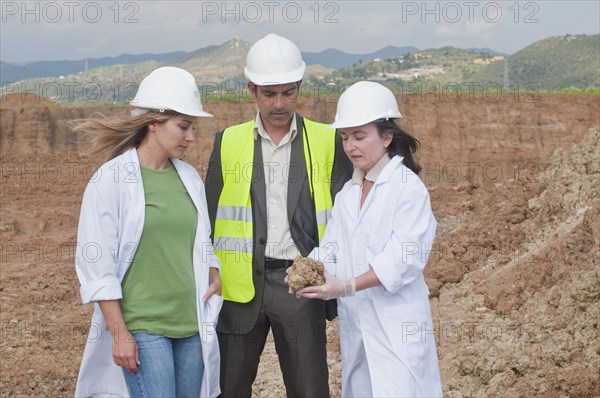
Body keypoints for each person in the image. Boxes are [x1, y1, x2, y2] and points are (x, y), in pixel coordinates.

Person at [205, 33, 352, 397]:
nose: (279, 103)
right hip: (240, 290)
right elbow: (207, 220)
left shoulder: (327, 140)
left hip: (299, 285)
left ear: (299, 86)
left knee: (309, 389)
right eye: (269, 93)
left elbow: (347, 218)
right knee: (229, 388)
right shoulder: (228, 141)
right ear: (251, 90)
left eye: (288, 92)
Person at [73, 66, 223, 398]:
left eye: (193, 128)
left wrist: (212, 269)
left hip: (190, 326)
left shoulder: (190, 178)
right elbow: (96, 266)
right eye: (183, 127)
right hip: (143, 326)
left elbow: (200, 240)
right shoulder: (110, 180)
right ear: (153, 123)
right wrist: (119, 333)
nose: (191, 137)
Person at [296, 81, 443, 397]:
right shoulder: (348, 193)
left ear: (387, 137)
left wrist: (345, 287)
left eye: (360, 136)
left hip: (396, 331)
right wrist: (306, 269)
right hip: (359, 330)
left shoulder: (407, 189)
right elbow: (332, 248)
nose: (350, 146)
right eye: (346, 137)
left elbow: (402, 261)